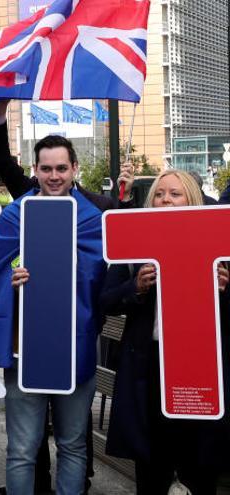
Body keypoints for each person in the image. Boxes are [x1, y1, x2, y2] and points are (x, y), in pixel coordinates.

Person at [0, 100, 134, 494]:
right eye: (46, 168)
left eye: (61, 168)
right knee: (21, 449)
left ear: (74, 170)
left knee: (72, 445)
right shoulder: (15, 215)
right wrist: (9, 281)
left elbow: (110, 280)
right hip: (25, 351)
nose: (54, 176)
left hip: (77, 351)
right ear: (35, 170)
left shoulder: (95, 219)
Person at [101, 170, 230, 494]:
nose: (165, 200)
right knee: (152, 470)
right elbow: (105, 299)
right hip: (149, 370)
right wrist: (136, 286)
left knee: (199, 470)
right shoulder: (136, 242)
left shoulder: (217, 240)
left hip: (201, 370)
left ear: (192, 198)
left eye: (175, 193)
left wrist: (224, 290)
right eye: (159, 194)